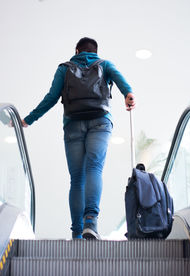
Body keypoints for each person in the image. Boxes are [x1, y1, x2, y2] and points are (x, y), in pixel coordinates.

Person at [22, 37, 135, 240]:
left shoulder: (64, 68)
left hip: (73, 124)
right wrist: (128, 95)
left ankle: (76, 233)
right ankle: (90, 222)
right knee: (94, 168)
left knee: (76, 179)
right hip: (100, 121)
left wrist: (28, 120)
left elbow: (51, 98)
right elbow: (122, 82)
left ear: (76, 51)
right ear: (96, 52)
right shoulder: (104, 64)